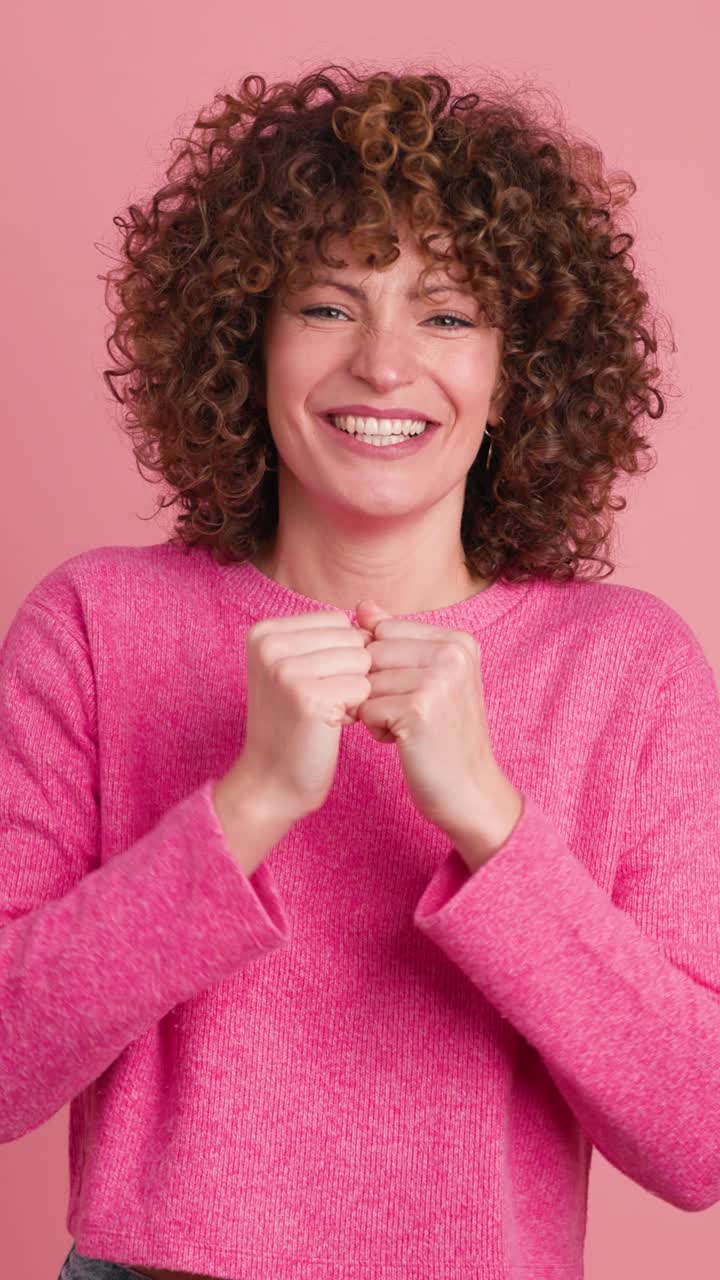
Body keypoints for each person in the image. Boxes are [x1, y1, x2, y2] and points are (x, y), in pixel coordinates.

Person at [1, 63, 719, 1280]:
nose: (386, 365)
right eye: (330, 306)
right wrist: (250, 801)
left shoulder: (628, 665)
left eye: (445, 314)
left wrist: (489, 818)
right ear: (247, 340)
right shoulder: (92, 620)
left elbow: (696, 1138)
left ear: (517, 373)